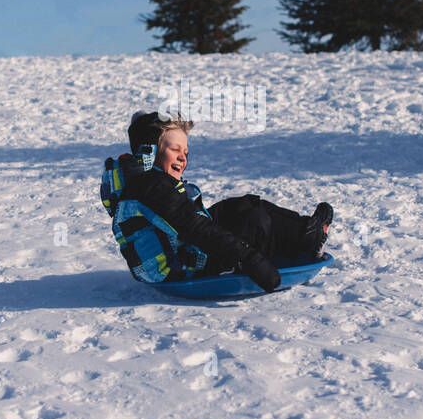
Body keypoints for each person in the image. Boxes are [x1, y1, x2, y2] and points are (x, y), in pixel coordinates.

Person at [100, 111, 332, 293]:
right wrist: (249, 258)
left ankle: (305, 233)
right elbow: (195, 228)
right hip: (176, 270)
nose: (183, 157)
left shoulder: (140, 180)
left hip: (177, 252)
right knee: (252, 222)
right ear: (150, 152)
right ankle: (298, 243)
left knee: (239, 207)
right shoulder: (149, 187)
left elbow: (188, 223)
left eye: (186, 151)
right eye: (175, 150)